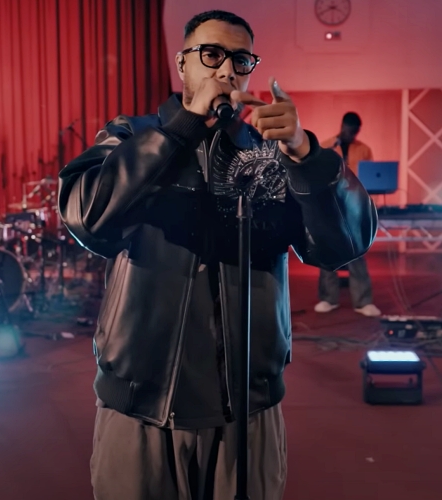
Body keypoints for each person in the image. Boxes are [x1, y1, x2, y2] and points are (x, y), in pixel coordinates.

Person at [58, 10, 377, 500]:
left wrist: (307, 154)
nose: (227, 70)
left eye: (241, 60)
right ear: (182, 64)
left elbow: (345, 245)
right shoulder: (132, 135)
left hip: (248, 410)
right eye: (211, 54)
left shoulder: (274, 156)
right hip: (140, 405)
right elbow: (85, 214)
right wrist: (180, 131)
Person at [315, 112, 381, 317]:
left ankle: (363, 302)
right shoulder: (326, 146)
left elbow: (371, 180)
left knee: (357, 253)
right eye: (348, 130)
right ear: (342, 126)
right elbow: (316, 174)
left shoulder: (364, 150)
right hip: (329, 207)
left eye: (354, 132)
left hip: (354, 207)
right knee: (328, 253)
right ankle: (328, 298)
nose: (350, 135)